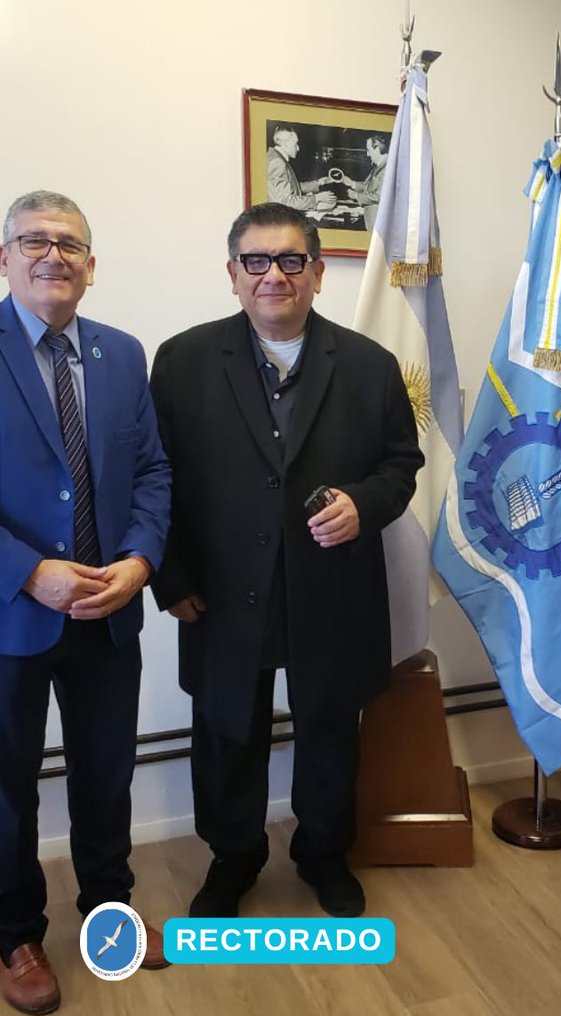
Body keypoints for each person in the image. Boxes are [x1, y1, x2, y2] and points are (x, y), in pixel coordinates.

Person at [150, 201, 423, 921]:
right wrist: (169, 575)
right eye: (257, 261)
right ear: (234, 275)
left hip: (330, 589)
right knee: (226, 730)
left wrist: (365, 504)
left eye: (291, 261)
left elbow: (403, 463)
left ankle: (323, 853)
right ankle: (232, 858)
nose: (275, 275)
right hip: (216, 590)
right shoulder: (181, 360)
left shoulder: (369, 365)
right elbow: (158, 475)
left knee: (331, 728)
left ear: (319, 273)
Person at [0, 190, 171, 1015]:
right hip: (11, 615)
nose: (52, 255)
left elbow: (152, 474)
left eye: (69, 244)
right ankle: (14, 935)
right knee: (8, 784)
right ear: (5, 259)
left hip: (110, 611)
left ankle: (109, 908)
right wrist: (30, 572)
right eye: (33, 241)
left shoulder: (121, 355)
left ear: (91, 267)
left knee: (107, 774)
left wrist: (140, 560)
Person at [266, 127, 338, 217]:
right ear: (285, 143)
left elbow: (292, 187)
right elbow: (285, 202)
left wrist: (319, 183)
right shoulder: (278, 162)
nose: (298, 148)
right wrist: (316, 198)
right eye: (295, 144)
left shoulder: (276, 158)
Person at [340, 135, 388, 231]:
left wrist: (356, 196)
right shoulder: (378, 167)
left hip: (378, 224)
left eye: (368, 150)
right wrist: (351, 183)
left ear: (377, 148)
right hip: (371, 221)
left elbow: (379, 196)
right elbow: (368, 186)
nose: (368, 154)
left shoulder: (387, 168)